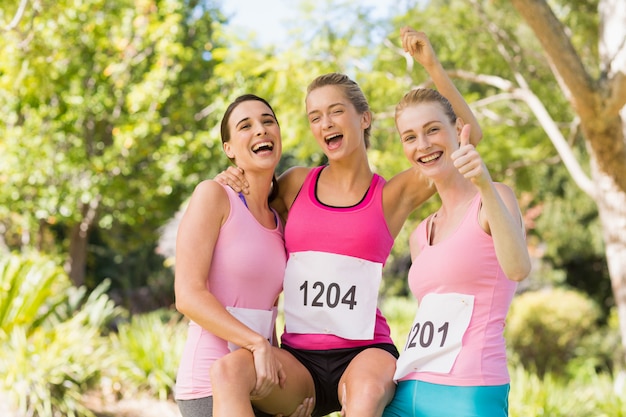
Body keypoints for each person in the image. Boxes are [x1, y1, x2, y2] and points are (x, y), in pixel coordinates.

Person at [210, 27, 483, 417]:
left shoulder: (391, 195)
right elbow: (248, 208)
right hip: (299, 359)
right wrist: (230, 176)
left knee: (366, 394)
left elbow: (467, 137)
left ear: (364, 118)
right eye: (315, 117)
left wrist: (432, 66)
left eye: (336, 111)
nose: (326, 123)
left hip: (365, 353)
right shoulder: (294, 184)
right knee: (228, 372)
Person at [381, 88, 531, 417]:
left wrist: (483, 182)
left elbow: (518, 268)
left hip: (468, 389)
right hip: (409, 387)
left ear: (457, 129)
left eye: (433, 129)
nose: (422, 145)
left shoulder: (493, 199)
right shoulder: (420, 234)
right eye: (410, 136)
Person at [173, 94, 315, 417]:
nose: (261, 130)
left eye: (268, 121)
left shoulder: (280, 221)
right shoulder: (213, 196)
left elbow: (266, 312)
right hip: (209, 383)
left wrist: (280, 386)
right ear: (229, 150)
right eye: (245, 126)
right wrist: (255, 343)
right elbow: (188, 295)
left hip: (262, 381)